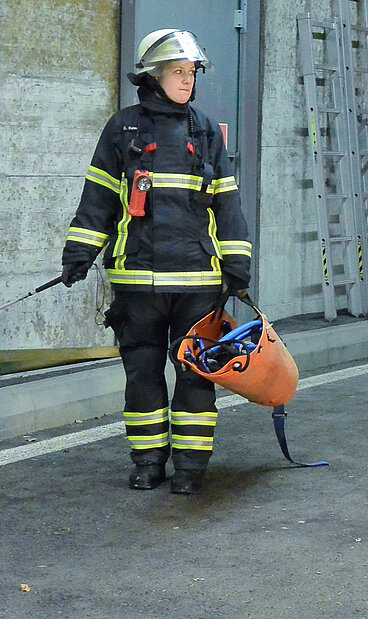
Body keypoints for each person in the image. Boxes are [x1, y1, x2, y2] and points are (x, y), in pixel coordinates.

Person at [61, 29, 251, 494]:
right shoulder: (122, 129)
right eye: (178, 72)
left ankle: (190, 468)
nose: (188, 81)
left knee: (195, 376)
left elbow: (227, 204)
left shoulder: (205, 130)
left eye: (192, 73)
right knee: (142, 375)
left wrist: (237, 263)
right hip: (137, 282)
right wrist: (80, 251)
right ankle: (148, 462)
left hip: (197, 283)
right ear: (154, 76)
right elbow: (99, 197)